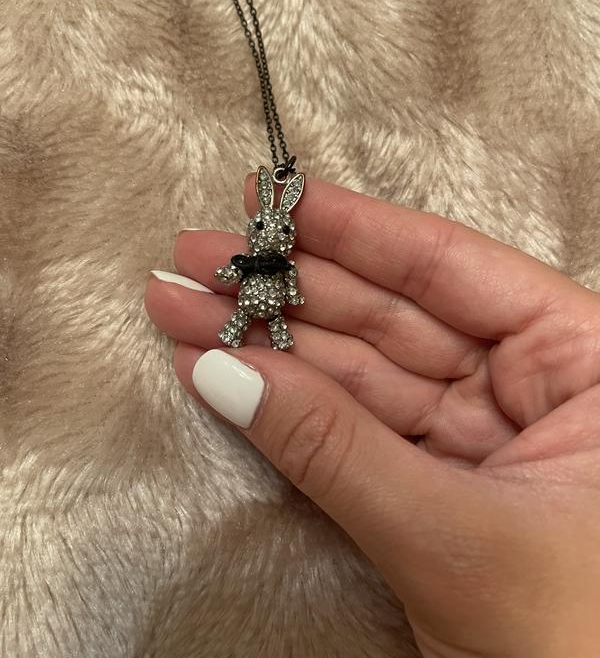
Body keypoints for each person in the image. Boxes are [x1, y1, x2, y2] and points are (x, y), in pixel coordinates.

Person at [144, 174, 600, 658]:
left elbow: (292, 289)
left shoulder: (282, 266)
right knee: (240, 319)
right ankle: (242, 329)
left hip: (273, 305)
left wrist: (291, 296)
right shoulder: (254, 259)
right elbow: (232, 272)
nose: (271, 235)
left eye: (280, 231)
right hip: (254, 297)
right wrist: (231, 275)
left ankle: (268, 334)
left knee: (273, 325)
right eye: (265, 228)